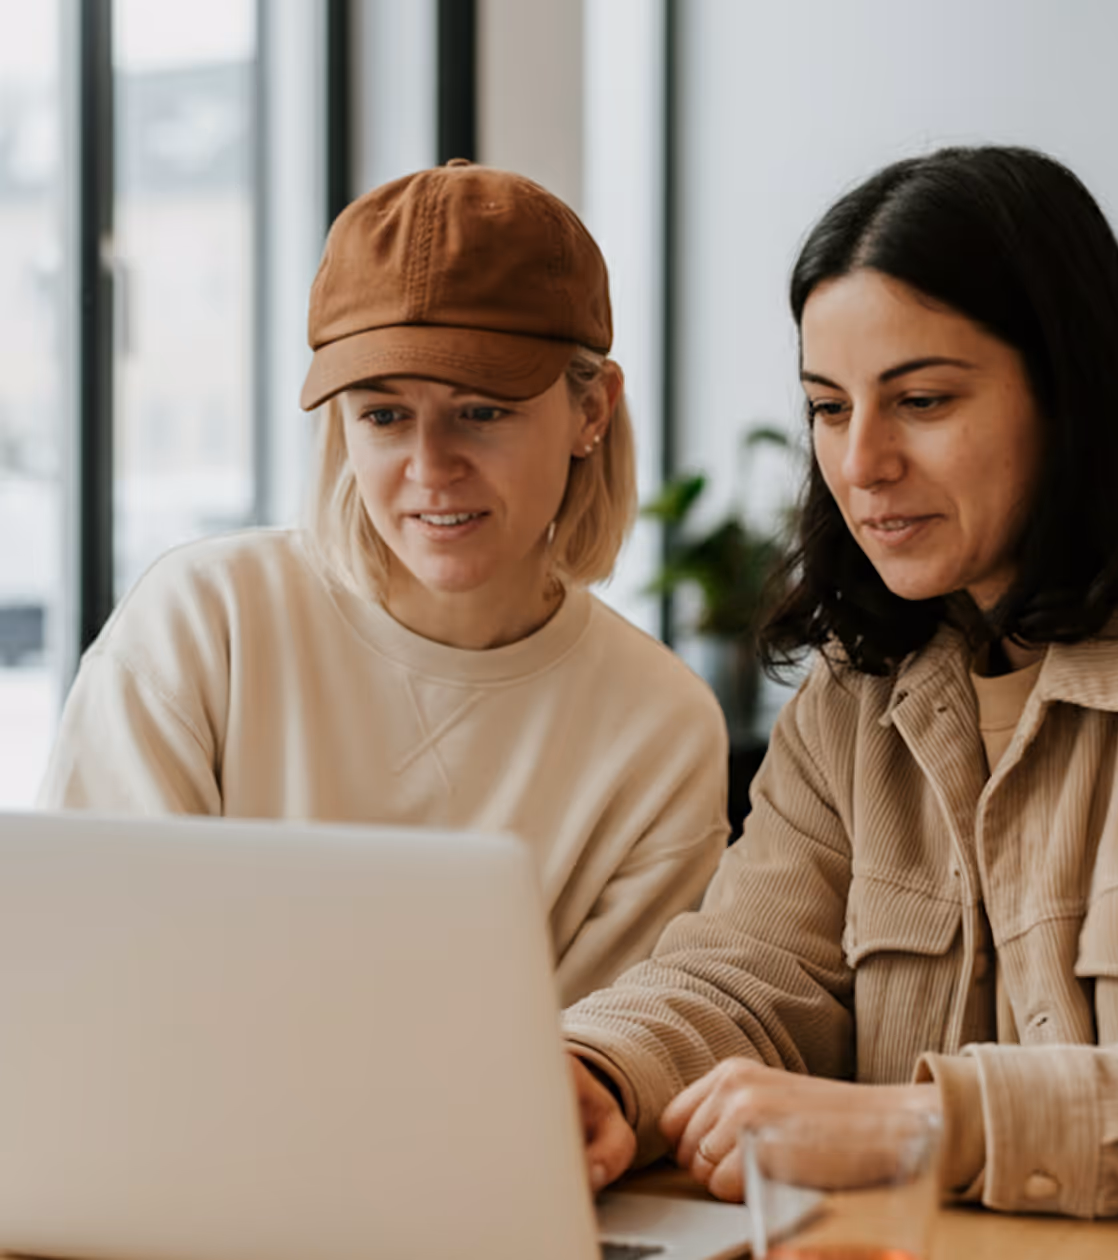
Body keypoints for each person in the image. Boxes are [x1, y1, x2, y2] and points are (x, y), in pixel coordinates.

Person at [563, 145, 1118, 1216]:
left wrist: (938, 1125)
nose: (862, 463)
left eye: (921, 400)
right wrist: (598, 1072)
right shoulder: (854, 697)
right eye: (829, 408)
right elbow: (745, 973)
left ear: (1073, 395)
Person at [39, 161, 730, 1007]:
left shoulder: (659, 729)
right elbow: (82, 980)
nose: (430, 468)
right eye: (383, 414)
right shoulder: (204, 627)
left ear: (592, 410)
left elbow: (582, 1082)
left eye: (482, 410)